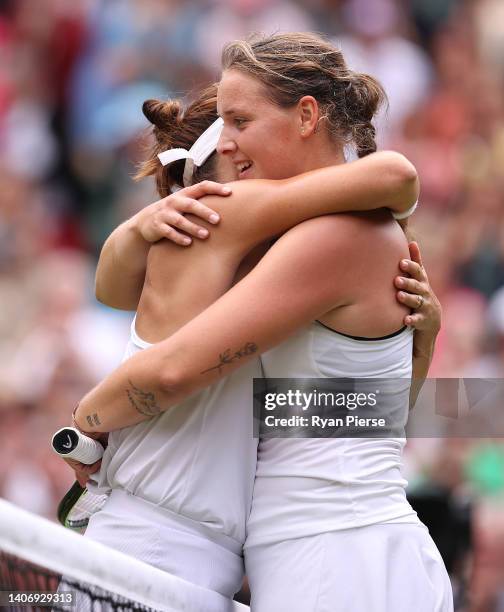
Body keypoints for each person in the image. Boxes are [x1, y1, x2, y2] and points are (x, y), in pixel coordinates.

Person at [69, 33, 447, 611]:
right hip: (298, 551)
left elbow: (171, 372)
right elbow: (329, 416)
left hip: (341, 551)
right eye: (223, 131)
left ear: (305, 116)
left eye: (241, 122)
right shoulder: (258, 235)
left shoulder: (330, 233)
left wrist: (85, 424)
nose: (233, 146)